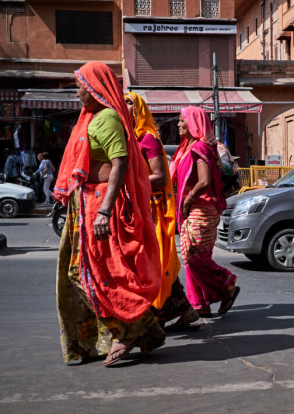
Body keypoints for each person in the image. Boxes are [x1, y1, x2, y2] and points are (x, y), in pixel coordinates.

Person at [54, 61, 165, 367]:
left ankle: (131, 329)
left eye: (81, 86)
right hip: (85, 203)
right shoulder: (89, 119)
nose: (77, 93)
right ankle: (137, 330)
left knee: (98, 275)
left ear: (95, 88)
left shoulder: (106, 119)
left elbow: (121, 164)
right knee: (84, 273)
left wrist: (104, 211)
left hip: (101, 204)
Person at [124, 91, 199, 330]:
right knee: (152, 264)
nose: (121, 106)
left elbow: (159, 176)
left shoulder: (147, 139)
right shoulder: (130, 139)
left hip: (153, 211)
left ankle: (154, 315)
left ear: (138, 109)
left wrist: (130, 181)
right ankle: (183, 309)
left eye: (128, 103)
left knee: (153, 265)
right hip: (138, 210)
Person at [170, 106, 240, 318]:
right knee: (195, 255)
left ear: (194, 123)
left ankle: (226, 284)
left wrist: (188, 199)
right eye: (180, 121)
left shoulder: (200, 148)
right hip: (196, 208)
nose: (179, 124)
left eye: (183, 121)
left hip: (201, 208)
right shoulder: (188, 147)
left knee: (192, 256)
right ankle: (200, 303)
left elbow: (204, 181)